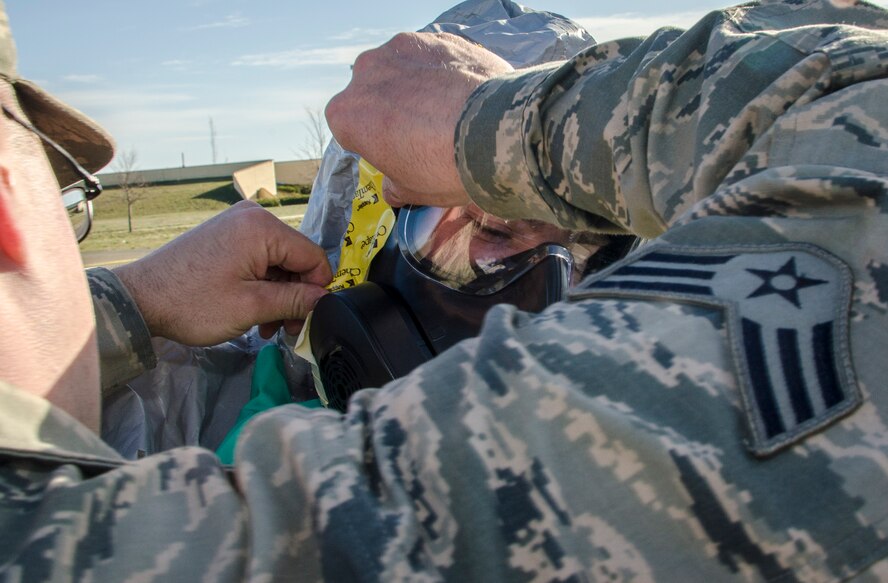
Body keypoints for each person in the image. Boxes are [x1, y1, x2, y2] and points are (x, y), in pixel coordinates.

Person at [2, 0, 888, 581]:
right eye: (444, 214)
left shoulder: (118, 488)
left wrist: (109, 310)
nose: (508, 265)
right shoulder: (189, 404)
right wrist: (504, 131)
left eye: (569, 215)